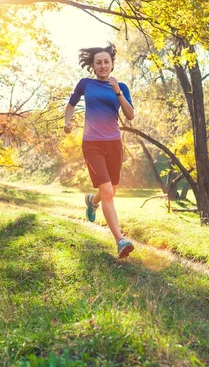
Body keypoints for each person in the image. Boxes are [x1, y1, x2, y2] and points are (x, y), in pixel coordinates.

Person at [64, 43, 136, 258]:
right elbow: (71, 104)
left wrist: (118, 93)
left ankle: (91, 202)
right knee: (108, 192)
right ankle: (120, 240)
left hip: (114, 144)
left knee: (110, 191)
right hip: (92, 144)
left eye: (106, 62)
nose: (103, 66)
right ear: (93, 66)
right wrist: (67, 122)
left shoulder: (121, 86)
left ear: (112, 64)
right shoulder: (85, 84)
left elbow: (130, 115)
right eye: (99, 63)